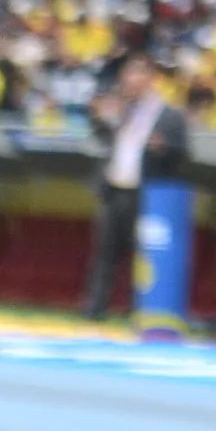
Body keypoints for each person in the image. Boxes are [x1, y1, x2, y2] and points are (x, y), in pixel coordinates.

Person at [83, 57, 186, 321]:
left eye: (137, 76)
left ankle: (139, 308)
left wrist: (162, 149)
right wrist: (98, 117)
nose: (130, 82)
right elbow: (103, 138)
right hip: (115, 188)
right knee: (105, 252)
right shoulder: (121, 110)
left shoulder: (169, 115)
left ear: (150, 79)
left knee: (142, 254)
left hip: (148, 194)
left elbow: (182, 153)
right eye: (127, 77)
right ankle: (95, 308)